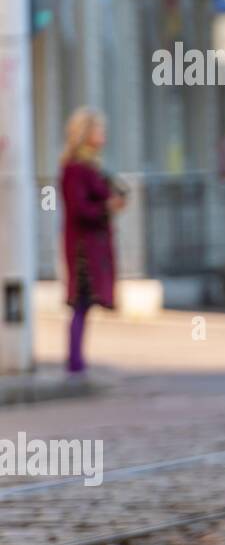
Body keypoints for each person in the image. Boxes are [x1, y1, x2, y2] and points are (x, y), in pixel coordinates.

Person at [59, 108, 123, 374]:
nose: (103, 136)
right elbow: (79, 209)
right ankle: (75, 362)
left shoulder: (92, 167)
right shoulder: (74, 169)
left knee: (84, 304)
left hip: (92, 243)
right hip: (83, 247)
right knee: (80, 301)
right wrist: (107, 207)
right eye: (98, 130)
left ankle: (77, 360)